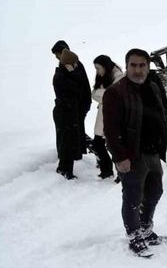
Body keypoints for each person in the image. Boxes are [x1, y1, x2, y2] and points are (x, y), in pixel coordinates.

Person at [103, 48, 167, 256]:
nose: (138, 70)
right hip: (132, 156)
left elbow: (161, 119)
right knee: (133, 197)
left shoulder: (153, 87)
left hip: (154, 153)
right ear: (126, 67)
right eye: (133, 66)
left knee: (155, 192)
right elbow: (110, 130)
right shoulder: (115, 93)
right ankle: (134, 235)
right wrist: (120, 157)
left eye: (142, 65)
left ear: (148, 66)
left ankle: (146, 228)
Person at [51, 40, 92, 154]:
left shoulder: (74, 64)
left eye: (58, 54)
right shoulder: (67, 65)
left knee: (77, 130)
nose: (57, 57)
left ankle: (86, 149)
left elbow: (81, 85)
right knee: (76, 131)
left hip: (79, 104)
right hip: (73, 105)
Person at [52, 49, 85, 179]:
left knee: (69, 142)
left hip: (69, 112)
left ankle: (66, 168)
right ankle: (64, 169)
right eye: (74, 64)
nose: (76, 66)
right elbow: (77, 88)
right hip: (64, 113)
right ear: (67, 64)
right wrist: (73, 73)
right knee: (66, 142)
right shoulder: (61, 76)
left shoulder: (65, 74)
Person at [91, 55, 124, 179]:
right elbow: (94, 94)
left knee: (113, 145)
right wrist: (102, 96)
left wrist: (100, 95)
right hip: (103, 114)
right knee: (98, 144)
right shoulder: (103, 76)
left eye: (98, 68)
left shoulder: (119, 76)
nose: (97, 71)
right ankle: (106, 170)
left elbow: (112, 96)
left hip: (114, 116)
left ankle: (120, 173)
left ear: (105, 66)